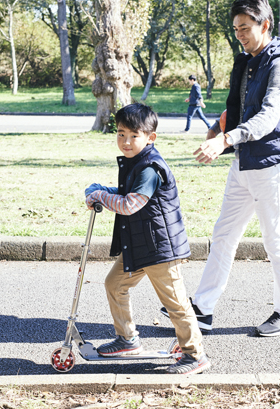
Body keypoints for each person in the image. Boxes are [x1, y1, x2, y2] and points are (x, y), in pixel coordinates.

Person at [162, 0, 280, 337]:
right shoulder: (249, 60)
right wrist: (217, 128)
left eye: (245, 27)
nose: (239, 34)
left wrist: (225, 140)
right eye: (236, 29)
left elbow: (269, 117)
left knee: (275, 239)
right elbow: (241, 107)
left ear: (265, 24)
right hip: (244, 162)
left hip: (270, 162)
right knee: (223, 235)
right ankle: (203, 309)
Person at [85, 103, 211, 375]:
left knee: (175, 302)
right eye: (120, 134)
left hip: (160, 247)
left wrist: (99, 197)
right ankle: (127, 339)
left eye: (133, 135)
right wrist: (99, 189)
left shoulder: (150, 167)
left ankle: (195, 355)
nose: (126, 141)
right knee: (115, 284)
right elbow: (124, 192)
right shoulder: (137, 162)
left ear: (150, 137)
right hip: (141, 244)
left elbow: (130, 204)